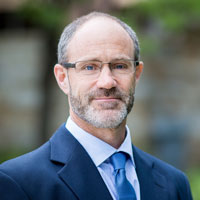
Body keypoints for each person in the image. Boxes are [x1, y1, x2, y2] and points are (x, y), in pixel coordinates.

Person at [0, 12, 193, 200]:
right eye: (89, 67)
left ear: (137, 74)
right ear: (62, 78)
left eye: (120, 65)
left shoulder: (174, 184)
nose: (107, 82)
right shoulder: (17, 182)